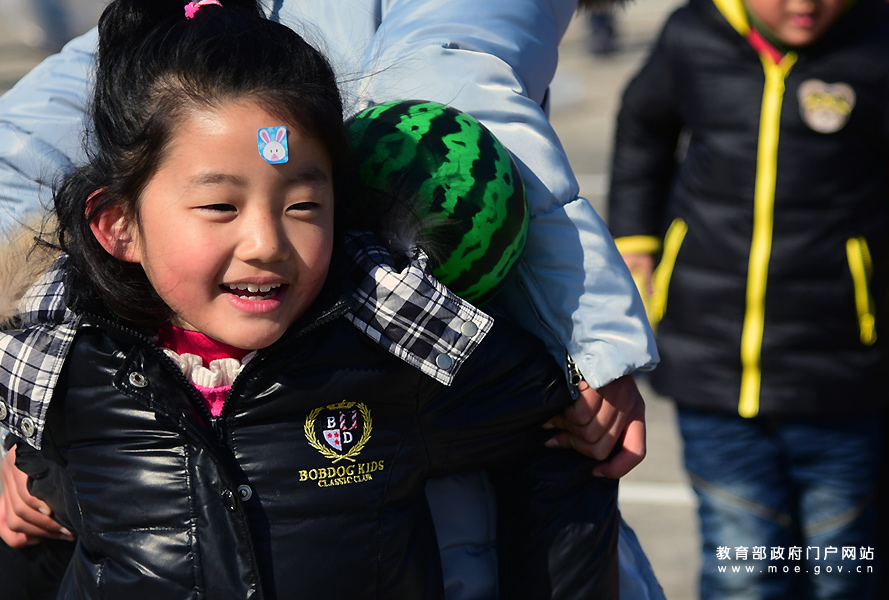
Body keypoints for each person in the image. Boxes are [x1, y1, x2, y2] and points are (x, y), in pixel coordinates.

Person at [0, 0, 665, 599]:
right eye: (220, 206)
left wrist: (589, 350)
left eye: (303, 206)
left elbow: (555, 435)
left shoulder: (393, 349)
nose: (266, 244)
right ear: (117, 225)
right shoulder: (62, 369)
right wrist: (27, 466)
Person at [607, 0, 889, 598]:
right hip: (712, 369)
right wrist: (636, 240)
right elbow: (643, 128)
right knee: (744, 566)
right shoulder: (693, 35)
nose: (803, 5)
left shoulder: (879, 46)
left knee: (842, 566)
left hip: (841, 373)